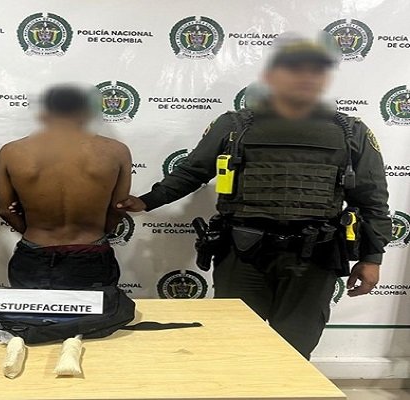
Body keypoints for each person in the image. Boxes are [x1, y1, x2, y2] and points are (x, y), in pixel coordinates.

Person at [116, 34, 391, 359]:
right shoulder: (234, 125)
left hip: (314, 259)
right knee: (234, 347)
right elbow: (192, 172)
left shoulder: (351, 132)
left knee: (295, 351)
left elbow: (371, 199)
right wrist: (147, 201)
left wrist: (372, 258)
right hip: (243, 254)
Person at [0, 84, 131, 290]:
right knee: (94, 312)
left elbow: (5, 210)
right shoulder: (116, 151)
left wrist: (33, 232)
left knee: (32, 312)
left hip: (35, 252)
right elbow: (118, 207)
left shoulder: (12, 152)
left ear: (45, 112)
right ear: (87, 112)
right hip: (91, 252)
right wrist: (96, 234)